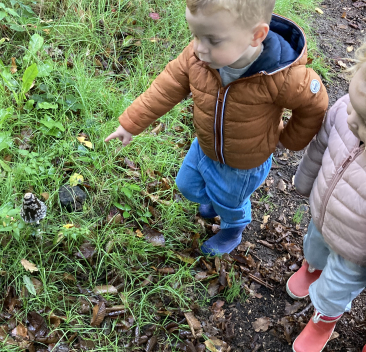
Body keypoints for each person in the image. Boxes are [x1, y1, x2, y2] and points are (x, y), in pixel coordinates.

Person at [105, 0, 328, 255]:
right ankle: (216, 198)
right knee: (187, 185)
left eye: (213, 40)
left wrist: (289, 139)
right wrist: (131, 123)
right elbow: (166, 87)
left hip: (244, 163)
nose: (199, 48)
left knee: (231, 203)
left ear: (256, 36)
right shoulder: (197, 57)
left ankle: (234, 227)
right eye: (195, 35)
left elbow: (314, 104)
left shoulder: (281, 76)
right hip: (205, 145)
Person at [287, 43, 366, 352]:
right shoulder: (346, 110)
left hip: (356, 252)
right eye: (353, 107)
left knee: (336, 289)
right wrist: (305, 180)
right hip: (324, 214)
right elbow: (320, 148)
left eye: (363, 119)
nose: (350, 119)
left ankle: (323, 321)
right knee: (314, 246)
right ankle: (313, 268)